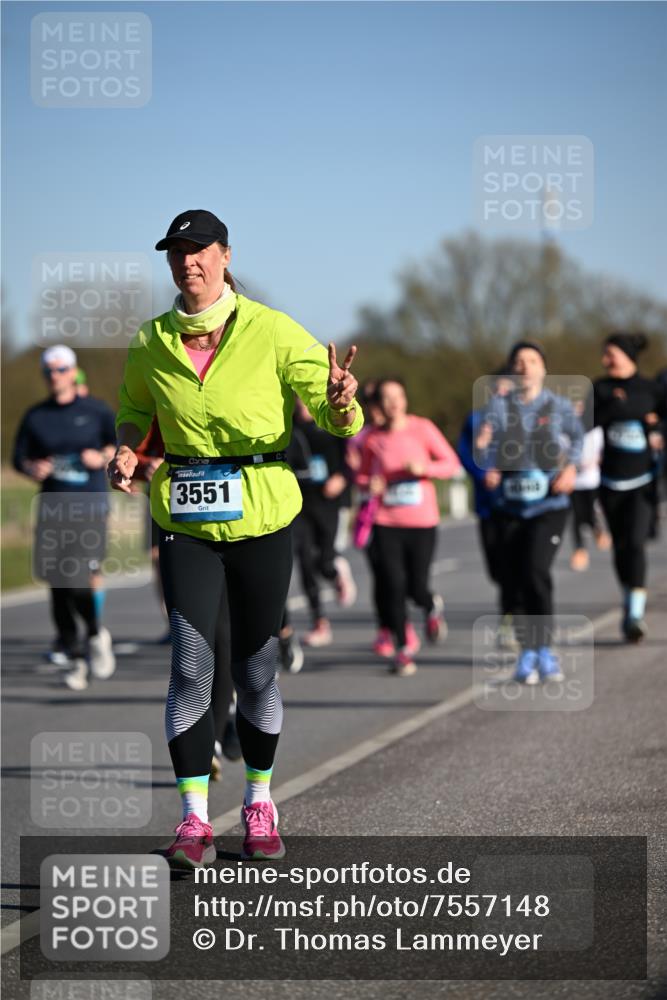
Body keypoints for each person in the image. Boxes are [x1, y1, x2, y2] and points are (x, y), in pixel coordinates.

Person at [108, 209, 362, 868]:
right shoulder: (150, 339)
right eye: (175, 252)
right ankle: (193, 820)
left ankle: (258, 800)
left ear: (224, 255)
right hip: (184, 520)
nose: (186, 261)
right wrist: (130, 452)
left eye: (198, 250)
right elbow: (136, 410)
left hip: (262, 515)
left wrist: (338, 399)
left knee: (254, 669)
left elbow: (334, 410)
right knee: (190, 666)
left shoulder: (271, 330)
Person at [478, 341, 583, 684]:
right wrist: (488, 466)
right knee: (515, 579)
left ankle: (545, 650)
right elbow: (484, 448)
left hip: (548, 505)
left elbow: (580, 440)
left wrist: (572, 469)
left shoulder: (559, 405)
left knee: (536, 570)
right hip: (510, 506)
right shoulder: (497, 406)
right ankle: (527, 651)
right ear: (511, 369)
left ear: (543, 368)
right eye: (518, 361)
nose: (525, 366)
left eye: (532, 360)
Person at [13, 344, 117, 690]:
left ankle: (94, 631)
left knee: (76, 578)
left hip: (89, 507)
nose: (54, 376)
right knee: (57, 586)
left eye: (60, 370)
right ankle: (74, 655)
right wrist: (32, 467)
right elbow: (19, 458)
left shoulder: (96, 410)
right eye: (48, 371)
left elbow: (120, 448)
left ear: (73, 372)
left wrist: (101, 456)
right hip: (52, 508)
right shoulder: (35, 416)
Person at [356, 377, 461, 676]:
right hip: (386, 521)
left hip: (421, 521)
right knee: (393, 585)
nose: (392, 403)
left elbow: (450, 463)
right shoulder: (372, 438)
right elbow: (362, 477)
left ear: (405, 400)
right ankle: (403, 649)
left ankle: (430, 606)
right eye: (386, 398)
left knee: (416, 586)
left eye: (397, 396)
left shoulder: (423, 428)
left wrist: (424, 469)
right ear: (380, 404)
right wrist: (370, 484)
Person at [593, 333, 665, 641]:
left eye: (611, 354)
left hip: (643, 481)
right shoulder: (599, 389)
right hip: (610, 481)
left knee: (635, 543)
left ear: (627, 356)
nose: (606, 360)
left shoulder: (651, 389)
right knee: (621, 547)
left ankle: (635, 613)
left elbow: (664, 419)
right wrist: (613, 406)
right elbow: (585, 422)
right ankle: (628, 598)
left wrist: (657, 428)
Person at [289, 395, 357, 647]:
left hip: (329, 502)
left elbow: (352, 460)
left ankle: (336, 570)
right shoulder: (289, 426)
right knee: (305, 562)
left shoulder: (331, 424)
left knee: (324, 560)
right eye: (297, 400)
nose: (301, 405)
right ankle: (319, 621)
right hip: (299, 503)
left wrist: (342, 478)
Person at [457, 371, 518, 650]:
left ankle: (512, 619)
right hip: (487, 505)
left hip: (517, 505)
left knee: (516, 565)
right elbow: (464, 453)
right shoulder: (475, 420)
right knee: (496, 569)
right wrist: (482, 474)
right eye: (499, 392)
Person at [346, 380, 395, 656]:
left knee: (398, 577)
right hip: (370, 513)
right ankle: (386, 629)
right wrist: (361, 478)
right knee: (380, 574)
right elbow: (356, 474)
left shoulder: (392, 435)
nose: (375, 412)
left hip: (398, 513)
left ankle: (414, 613)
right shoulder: (359, 438)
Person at [568, 418, 610, 572]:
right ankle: (580, 551)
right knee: (577, 516)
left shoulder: (595, 430)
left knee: (591, 512)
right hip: (573, 481)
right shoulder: (566, 428)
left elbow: (601, 454)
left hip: (591, 480)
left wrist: (591, 462)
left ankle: (598, 529)